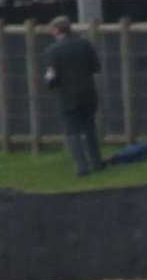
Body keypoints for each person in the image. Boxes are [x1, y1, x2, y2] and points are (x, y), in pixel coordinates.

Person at [43, 16, 104, 177]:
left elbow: (51, 77)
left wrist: (47, 81)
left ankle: (82, 167)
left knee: (72, 132)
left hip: (67, 97)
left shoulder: (52, 50)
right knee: (90, 128)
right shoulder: (85, 44)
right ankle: (97, 162)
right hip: (88, 93)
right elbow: (96, 67)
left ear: (57, 30)